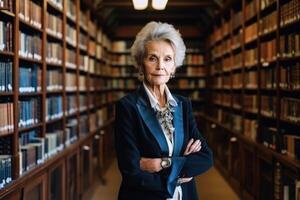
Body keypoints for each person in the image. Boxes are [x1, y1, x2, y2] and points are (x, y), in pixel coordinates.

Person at [114, 21, 213, 200]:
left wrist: (162, 163)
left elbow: (205, 158)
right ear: (140, 63)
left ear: (174, 66)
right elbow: (132, 172)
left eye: (167, 59)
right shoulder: (127, 107)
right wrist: (180, 170)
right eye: (152, 58)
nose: (160, 66)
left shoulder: (183, 105)